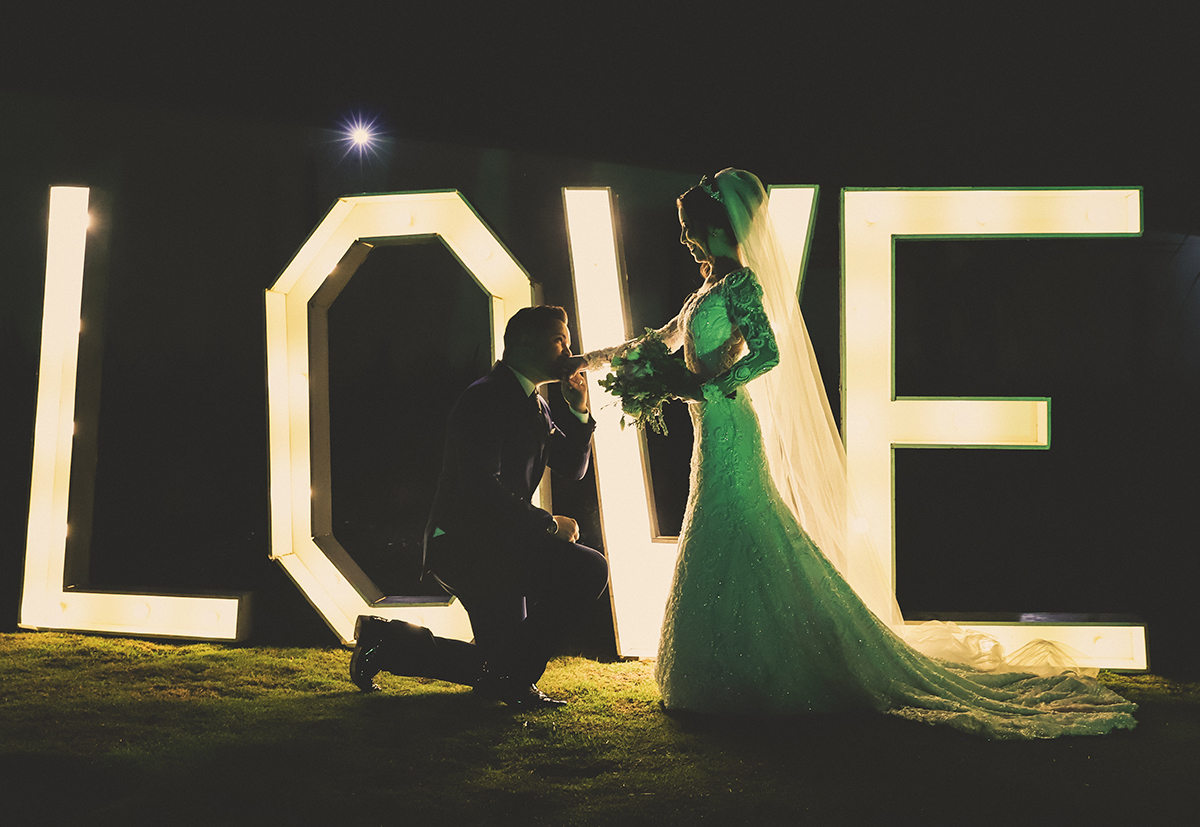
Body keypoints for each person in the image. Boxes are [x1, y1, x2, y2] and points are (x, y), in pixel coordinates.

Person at [582, 169, 1136, 738]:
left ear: (717, 227)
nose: (684, 239)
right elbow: (661, 340)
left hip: (728, 421)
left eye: (688, 228)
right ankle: (731, 661)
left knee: (739, 521)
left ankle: (756, 663)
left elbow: (767, 353)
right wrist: (592, 361)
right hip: (711, 424)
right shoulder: (705, 290)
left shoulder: (740, 285)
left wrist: (709, 385)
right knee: (727, 525)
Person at [350, 305, 610, 708]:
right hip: (466, 547)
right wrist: (546, 525)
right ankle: (511, 677)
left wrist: (579, 409)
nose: (569, 352)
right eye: (560, 341)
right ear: (525, 342)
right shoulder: (485, 398)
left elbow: (573, 467)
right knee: (588, 568)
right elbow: (479, 486)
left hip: (501, 544)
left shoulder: (536, 404)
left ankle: (385, 641)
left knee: (498, 661)